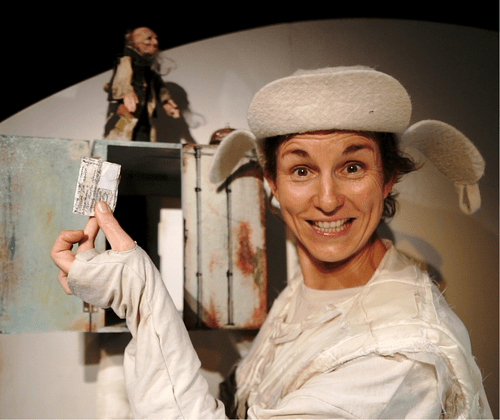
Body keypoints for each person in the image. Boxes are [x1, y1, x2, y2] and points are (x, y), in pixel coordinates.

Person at [51, 66, 492, 418]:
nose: (328, 200)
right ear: (273, 184)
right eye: (301, 170)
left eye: (352, 167)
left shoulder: (400, 355)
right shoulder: (309, 289)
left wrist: (139, 296)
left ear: (388, 178)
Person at [103, 27, 180, 142]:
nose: (155, 42)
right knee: (119, 132)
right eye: (149, 38)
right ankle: (115, 146)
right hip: (125, 112)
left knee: (143, 137)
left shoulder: (148, 69)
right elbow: (122, 75)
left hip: (144, 114)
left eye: (155, 38)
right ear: (135, 41)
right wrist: (126, 91)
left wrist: (166, 101)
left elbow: (158, 85)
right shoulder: (126, 60)